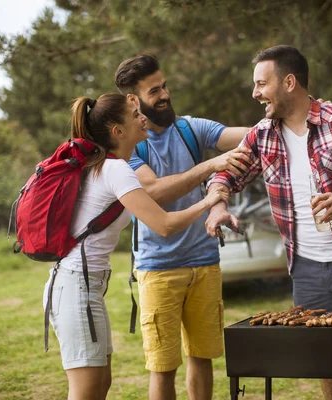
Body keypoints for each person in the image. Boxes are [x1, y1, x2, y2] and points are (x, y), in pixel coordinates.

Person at [205, 45, 332, 400]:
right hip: (306, 267)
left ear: (289, 82)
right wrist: (217, 205)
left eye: (262, 83)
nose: (255, 93)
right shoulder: (262, 134)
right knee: (324, 359)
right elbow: (226, 175)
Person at [43, 94, 229, 400]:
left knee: (101, 385)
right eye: (134, 115)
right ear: (118, 131)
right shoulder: (115, 170)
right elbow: (165, 224)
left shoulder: (112, 166)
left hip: (86, 287)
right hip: (75, 286)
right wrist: (208, 201)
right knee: (86, 392)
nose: (142, 116)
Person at [114, 54, 251, 400]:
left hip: (205, 263)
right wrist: (209, 168)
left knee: (202, 359)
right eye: (154, 90)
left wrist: (284, 112)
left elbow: (247, 137)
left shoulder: (192, 129)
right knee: (163, 368)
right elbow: (153, 192)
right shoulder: (128, 147)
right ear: (133, 99)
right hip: (158, 270)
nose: (165, 95)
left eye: (165, 86)